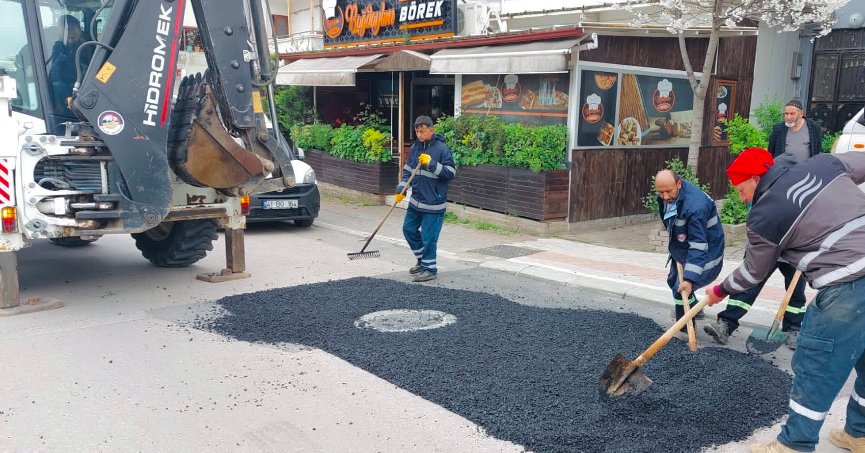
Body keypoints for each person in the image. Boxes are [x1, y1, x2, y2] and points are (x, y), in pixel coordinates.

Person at [705, 147, 865, 453]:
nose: (740, 199)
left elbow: (752, 274)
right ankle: (859, 434)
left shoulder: (764, 215)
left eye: (740, 190)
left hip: (849, 282)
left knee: (816, 363)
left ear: (755, 178)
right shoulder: (824, 165)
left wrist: (719, 290)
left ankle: (794, 445)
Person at [704, 101, 823, 349]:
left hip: (793, 250)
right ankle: (726, 324)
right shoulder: (761, 193)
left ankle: (792, 330)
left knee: (796, 291)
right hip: (769, 248)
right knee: (750, 283)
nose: (740, 195)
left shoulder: (798, 192)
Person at [653, 170, 725, 325]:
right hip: (684, 246)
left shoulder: (695, 208)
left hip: (707, 253)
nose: (665, 197)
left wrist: (689, 278)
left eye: (668, 191)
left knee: (681, 289)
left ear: (679, 184)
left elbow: (699, 246)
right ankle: (695, 309)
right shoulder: (672, 194)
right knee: (673, 280)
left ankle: (685, 326)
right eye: (660, 192)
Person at [394, 115, 456, 283]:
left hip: (434, 203)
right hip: (416, 201)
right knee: (408, 230)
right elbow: (408, 171)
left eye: (422, 131)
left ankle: (430, 269)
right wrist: (401, 190)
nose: (419, 134)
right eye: (417, 131)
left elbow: (450, 173)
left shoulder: (442, 149)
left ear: (431, 130)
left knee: (429, 238)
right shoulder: (415, 148)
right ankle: (422, 261)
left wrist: (431, 163)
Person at [47, 15, 86, 113]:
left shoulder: (89, 47)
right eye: (67, 29)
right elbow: (52, 75)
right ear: (59, 32)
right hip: (60, 97)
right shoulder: (57, 48)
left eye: (74, 28)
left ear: (80, 30)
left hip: (84, 93)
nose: (71, 32)